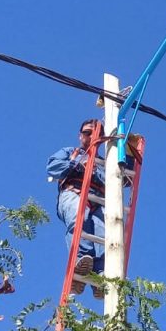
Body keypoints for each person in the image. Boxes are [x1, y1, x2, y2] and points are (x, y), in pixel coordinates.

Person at [47, 119, 105, 298]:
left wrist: (129, 153)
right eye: (87, 132)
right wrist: (76, 165)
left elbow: (124, 180)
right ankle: (81, 261)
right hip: (74, 192)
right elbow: (52, 166)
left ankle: (98, 275)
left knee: (103, 235)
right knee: (79, 219)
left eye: (95, 133)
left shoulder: (104, 162)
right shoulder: (71, 152)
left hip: (97, 199)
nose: (91, 136)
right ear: (80, 135)